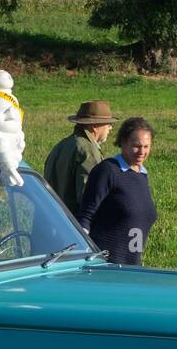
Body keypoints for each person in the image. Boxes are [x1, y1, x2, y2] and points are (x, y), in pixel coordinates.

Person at [76, 118, 157, 265]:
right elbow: (86, 216)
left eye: (146, 146)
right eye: (136, 146)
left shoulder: (142, 175)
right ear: (123, 142)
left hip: (132, 265)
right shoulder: (108, 171)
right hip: (107, 265)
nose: (142, 152)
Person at [43, 101, 116, 215]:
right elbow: (89, 198)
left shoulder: (62, 144)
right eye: (108, 124)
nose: (110, 128)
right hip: (71, 226)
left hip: (51, 218)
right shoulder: (88, 151)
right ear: (95, 126)